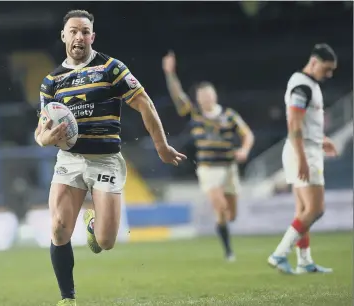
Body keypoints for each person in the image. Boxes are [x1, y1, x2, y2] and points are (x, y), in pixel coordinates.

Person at [34, 10, 187, 306]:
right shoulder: (51, 82)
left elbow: (144, 104)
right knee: (58, 227)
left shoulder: (110, 68)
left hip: (105, 160)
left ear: (93, 36)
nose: (79, 36)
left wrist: (162, 146)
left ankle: (92, 225)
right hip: (69, 160)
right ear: (64, 36)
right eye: (74, 31)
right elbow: (40, 131)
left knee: (105, 241)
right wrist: (45, 139)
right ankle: (67, 298)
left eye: (85, 31)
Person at [162, 51, 254, 262]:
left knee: (231, 214)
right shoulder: (195, 113)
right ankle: (229, 252)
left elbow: (247, 134)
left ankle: (222, 228)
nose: (205, 98)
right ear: (198, 99)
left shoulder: (228, 115)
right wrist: (170, 74)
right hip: (208, 168)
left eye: (208, 94)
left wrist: (245, 150)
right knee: (219, 206)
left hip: (229, 167)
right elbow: (178, 96)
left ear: (215, 96)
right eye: (202, 96)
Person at [268, 44, 338, 274]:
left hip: (307, 147)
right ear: (314, 62)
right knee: (316, 209)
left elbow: (306, 123)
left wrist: (321, 139)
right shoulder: (301, 86)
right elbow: (294, 124)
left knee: (303, 210)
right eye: (326, 69)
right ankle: (279, 254)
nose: (328, 74)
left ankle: (305, 261)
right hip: (303, 151)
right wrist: (303, 158)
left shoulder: (309, 85)